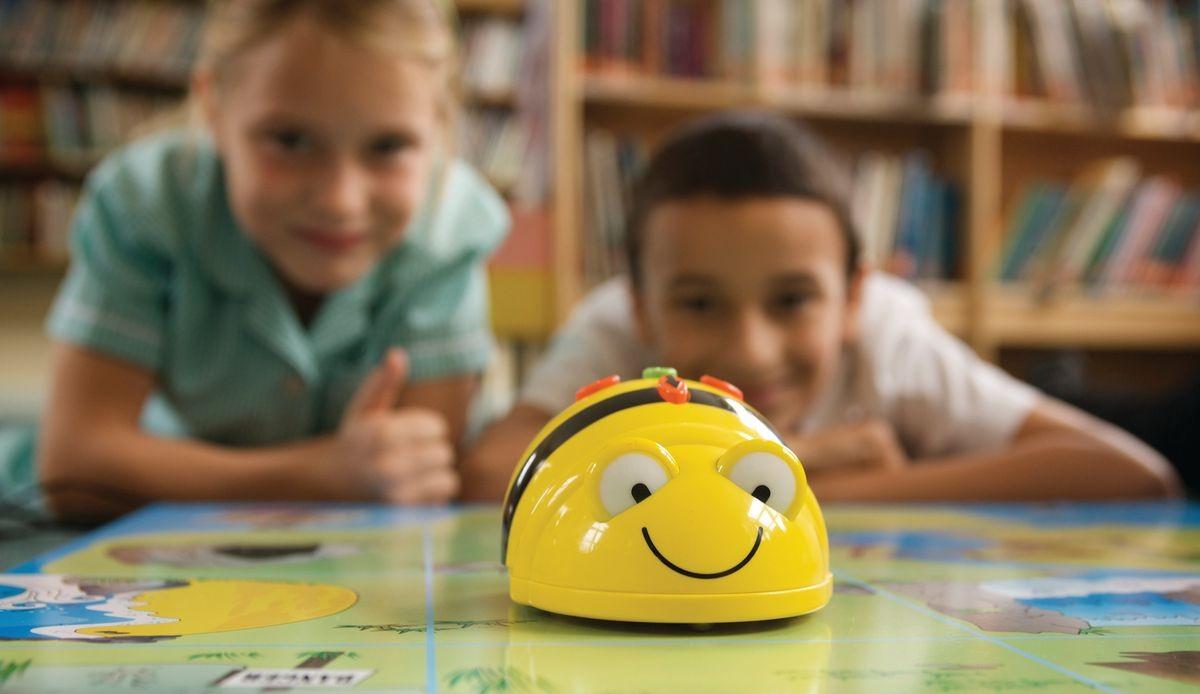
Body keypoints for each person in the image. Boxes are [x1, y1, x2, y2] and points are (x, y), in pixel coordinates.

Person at [463, 112, 1179, 502]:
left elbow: (1131, 474)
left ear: (852, 299)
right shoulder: (612, 330)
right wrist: (792, 460)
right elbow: (490, 471)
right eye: (700, 302)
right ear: (642, 309)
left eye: (793, 300)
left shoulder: (888, 333)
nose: (750, 349)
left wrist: (857, 489)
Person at [8, 0, 509, 522]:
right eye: (290, 140)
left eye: (388, 146)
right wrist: (317, 477)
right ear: (213, 109)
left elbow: (417, 476)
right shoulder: (144, 204)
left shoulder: (452, 229)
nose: (340, 200)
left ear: (441, 128)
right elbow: (77, 467)